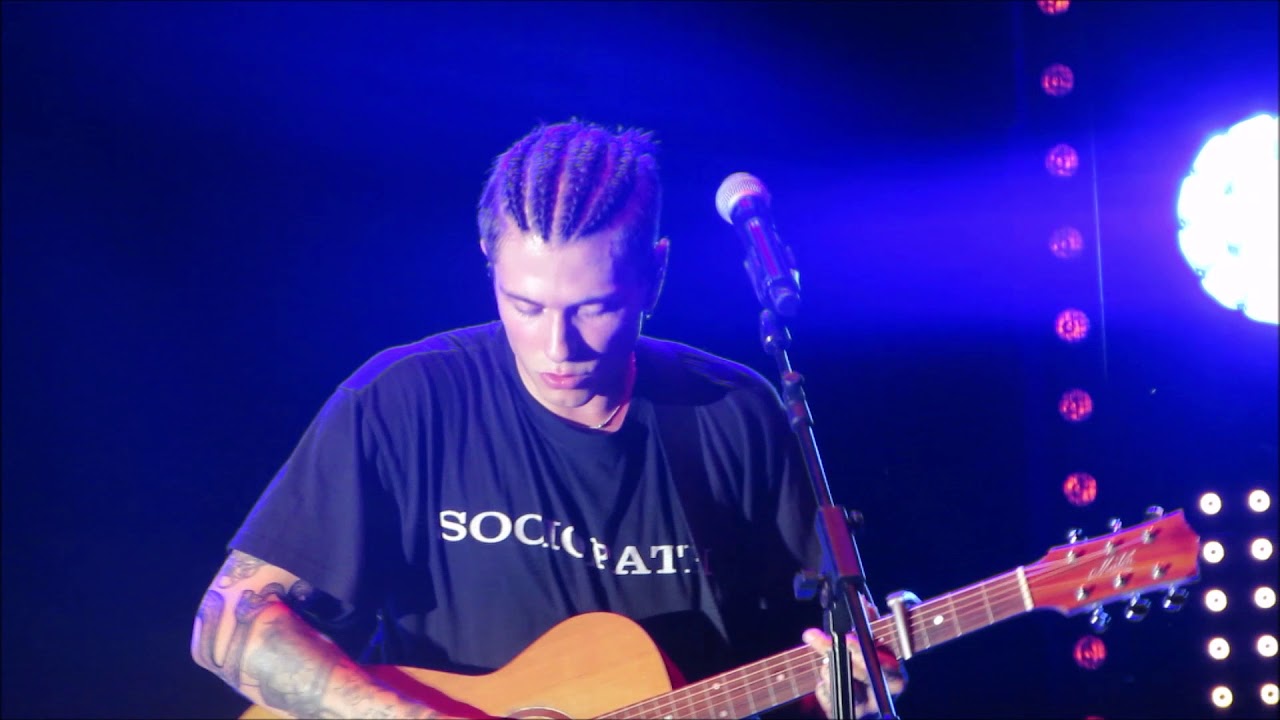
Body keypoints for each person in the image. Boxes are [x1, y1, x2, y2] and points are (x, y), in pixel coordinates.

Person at [190, 119, 904, 719]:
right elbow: (230, 628)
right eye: (525, 306)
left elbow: (806, 668)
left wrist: (846, 695)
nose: (558, 347)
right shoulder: (404, 401)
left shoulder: (735, 415)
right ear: (489, 264)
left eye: (594, 308)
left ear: (654, 275)